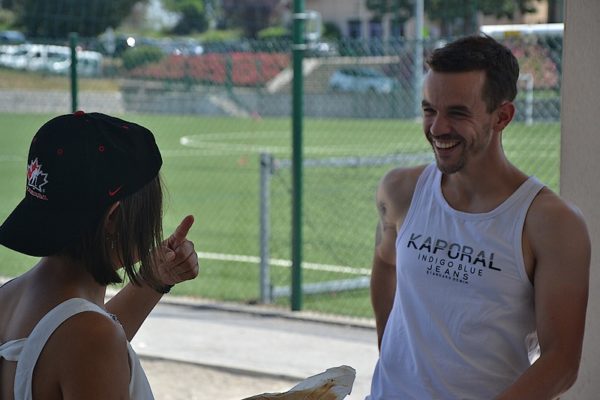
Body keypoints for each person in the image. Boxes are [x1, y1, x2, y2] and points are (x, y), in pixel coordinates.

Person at [367, 35, 590, 399]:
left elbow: (561, 363)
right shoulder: (401, 191)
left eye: (457, 113)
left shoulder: (551, 223)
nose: (437, 128)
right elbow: (385, 264)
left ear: (502, 116)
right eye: (429, 110)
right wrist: (392, 360)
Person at [0, 111, 199, 399]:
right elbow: (86, 342)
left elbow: (68, 343)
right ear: (114, 217)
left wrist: (154, 280)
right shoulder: (91, 337)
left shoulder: (10, 299)